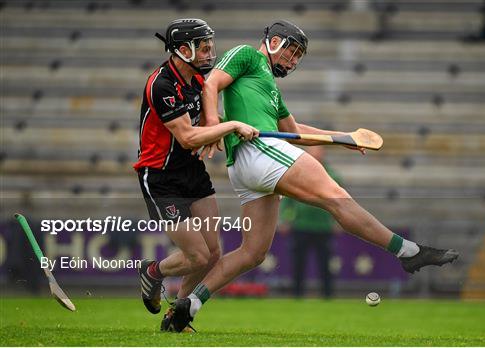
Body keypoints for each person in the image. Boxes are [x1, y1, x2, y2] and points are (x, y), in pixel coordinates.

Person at [162, 19, 459, 332]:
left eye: (297, 58)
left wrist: (344, 137)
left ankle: (188, 307)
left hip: (249, 167)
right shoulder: (247, 56)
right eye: (291, 52)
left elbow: (294, 132)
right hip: (261, 152)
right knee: (336, 197)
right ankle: (407, 251)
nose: (292, 61)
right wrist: (212, 125)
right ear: (274, 41)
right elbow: (211, 84)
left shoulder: (270, 89)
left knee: (252, 253)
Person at [132, 18, 258, 331]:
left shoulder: (198, 80)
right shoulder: (161, 85)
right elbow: (188, 137)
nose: (209, 53)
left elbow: (206, 123)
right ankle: (153, 272)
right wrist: (229, 127)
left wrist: (225, 126)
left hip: (191, 171)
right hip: (161, 177)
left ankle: (176, 316)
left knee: (213, 253)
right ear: (183, 49)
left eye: (209, 46)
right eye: (203, 47)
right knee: (198, 256)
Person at [279, 146, 341, 299]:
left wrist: (338, 221)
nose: (316, 153)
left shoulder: (332, 175)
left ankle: (328, 295)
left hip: (323, 227)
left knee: (325, 264)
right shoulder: (298, 174)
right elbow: (287, 200)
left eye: (319, 150)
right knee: (298, 263)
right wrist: (286, 219)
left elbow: (341, 200)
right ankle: (297, 295)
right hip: (301, 225)